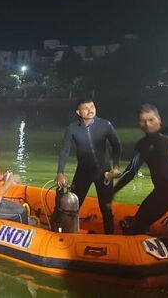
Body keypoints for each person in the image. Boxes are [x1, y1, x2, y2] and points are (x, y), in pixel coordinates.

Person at [114, 104, 168, 236]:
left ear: (159, 118)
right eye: (143, 121)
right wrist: (113, 191)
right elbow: (131, 171)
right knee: (134, 229)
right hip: (160, 195)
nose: (147, 124)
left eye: (151, 119)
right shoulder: (142, 145)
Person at [55, 98, 121, 234]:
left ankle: (110, 237)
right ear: (79, 112)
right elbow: (65, 150)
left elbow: (116, 145)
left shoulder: (105, 125)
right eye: (85, 108)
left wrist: (116, 166)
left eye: (92, 106)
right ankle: (64, 232)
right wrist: (60, 172)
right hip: (83, 173)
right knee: (72, 205)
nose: (90, 110)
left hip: (104, 173)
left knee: (106, 208)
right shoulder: (72, 129)